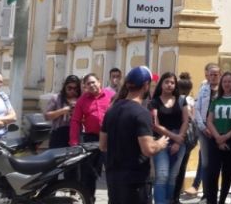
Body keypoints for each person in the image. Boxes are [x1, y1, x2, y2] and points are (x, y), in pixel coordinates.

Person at [101, 66, 171, 204]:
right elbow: (148, 149)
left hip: (114, 179)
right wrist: (160, 143)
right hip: (135, 182)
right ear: (145, 85)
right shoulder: (141, 113)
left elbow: (103, 145)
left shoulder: (111, 110)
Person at [71, 73, 116, 202]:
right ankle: (89, 200)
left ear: (99, 82)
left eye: (93, 82)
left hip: (111, 139)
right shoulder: (82, 100)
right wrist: (74, 142)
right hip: (91, 139)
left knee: (113, 172)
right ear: (85, 86)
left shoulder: (111, 96)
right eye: (88, 84)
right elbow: (75, 121)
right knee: (89, 174)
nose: (91, 85)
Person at [149, 72, 191, 204]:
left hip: (180, 142)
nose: (169, 85)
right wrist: (174, 137)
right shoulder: (154, 102)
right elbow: (155, 125)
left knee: (172, 176)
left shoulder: (181, 100)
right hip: (161, 141)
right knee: (162, 175)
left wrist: (178, 141)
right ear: (161, 84)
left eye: (172, 82)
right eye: (166, 82)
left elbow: (186, 121)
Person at [206, 72, 231, 204]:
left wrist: (226, 136)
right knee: (212, 173)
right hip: (215, 139)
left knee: (227, 173)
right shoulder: (216, 100)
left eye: (230, 81)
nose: (227, 84)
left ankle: (222, 200)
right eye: (224, 81)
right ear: (221, 84)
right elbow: (209, 121)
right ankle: (211, 201)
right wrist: (218, 137)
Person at [191, 63, 222, 198]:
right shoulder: (203, 88)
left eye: (216, 74)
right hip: (203, 128)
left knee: (216, 162)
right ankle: (206, 194)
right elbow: (196, 109)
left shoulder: (224, 89)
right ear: (207, 75)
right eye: (211, 74)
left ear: (220, 75)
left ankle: (213, 192)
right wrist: (202, 127)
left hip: (218, 128)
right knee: (205, 162)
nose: (213, 77)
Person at [174, 72, 197, 202]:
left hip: (176, 136)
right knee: (182, 168)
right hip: (188, 139)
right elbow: (193, 119)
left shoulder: (177, 100)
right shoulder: (191, 101)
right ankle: (176, 196)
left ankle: (172, 196)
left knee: (174, 169)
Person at [44, 74, 81, 148]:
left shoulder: (81, 99)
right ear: (65, 86)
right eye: (69, 88)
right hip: (58, 134)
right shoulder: (56, 98)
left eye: (75, 88)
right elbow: (47, 116)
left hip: (76, 134)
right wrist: (63, 111)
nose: (72, 91)